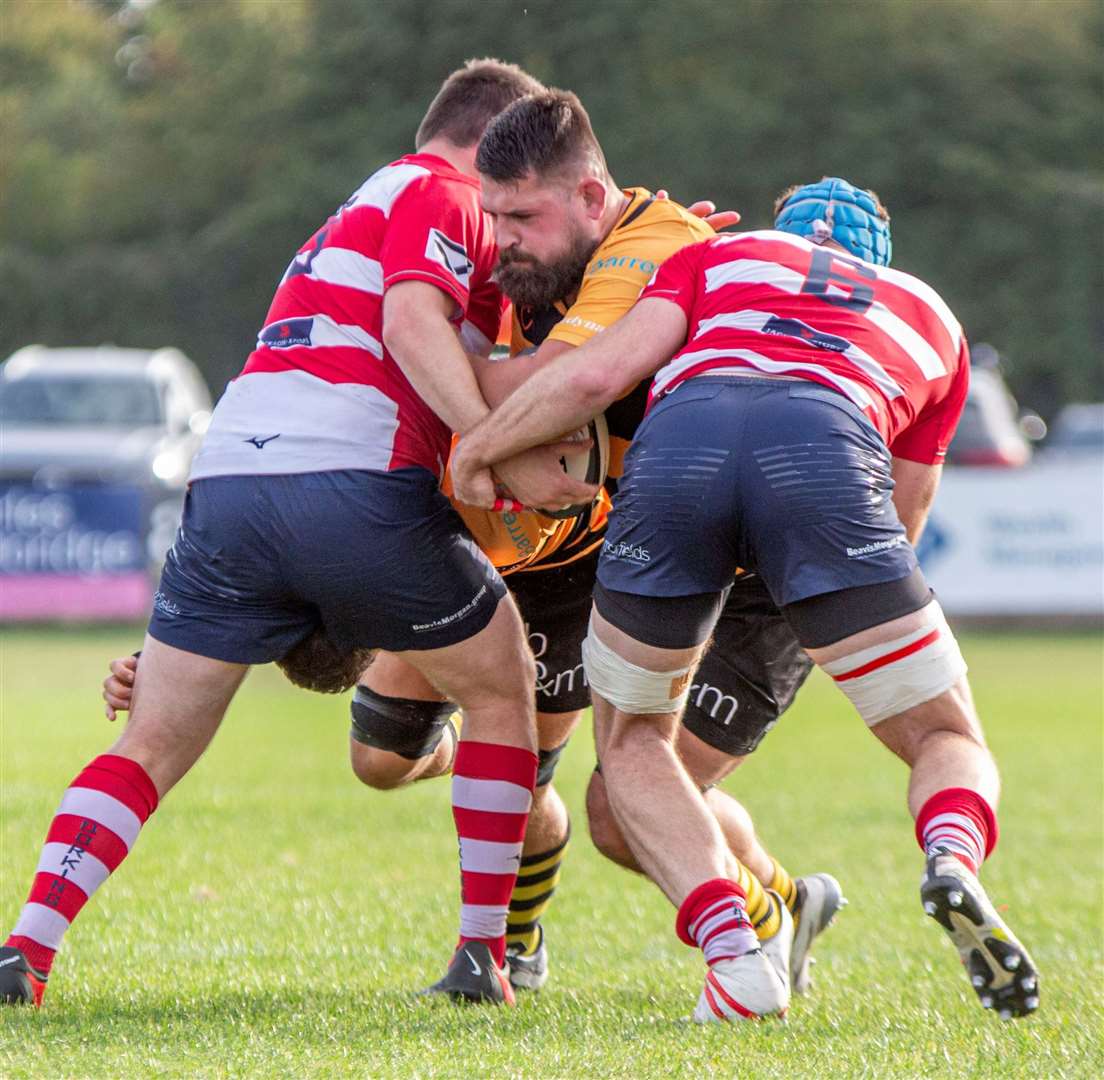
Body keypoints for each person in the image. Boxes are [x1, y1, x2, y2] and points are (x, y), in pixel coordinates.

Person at [99, 91, 845, 1004]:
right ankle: (523, 875)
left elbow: (558, 381)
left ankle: (713, 921)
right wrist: (174, 656)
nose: (499, 234)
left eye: (519, 215)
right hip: (475, 543)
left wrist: (448, 402)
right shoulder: (479, 246)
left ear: (588, 193)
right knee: (381, 759)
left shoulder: (647, 245)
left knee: (599, 793)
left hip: (582, 560)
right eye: (489, 213)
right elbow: (339, 473)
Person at [0, 58, 558, 1010]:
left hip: (227, 482)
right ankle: (482, 957)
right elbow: (411, 316)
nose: (518, 213)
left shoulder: (348, 214)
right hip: (351, 474)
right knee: (505, 690)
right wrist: (482, 442)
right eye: (518, 185)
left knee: (150, 742)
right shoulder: (442, 190)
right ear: (493, 144)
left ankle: (26, 951)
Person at [450, 177, 1040, 1023]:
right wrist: (836, 615)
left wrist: (480, 451)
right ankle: (950, 856)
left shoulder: (719, 255)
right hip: (824, 468)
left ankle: (737, 956)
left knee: (630, 756)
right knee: (943, 733)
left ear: (782, 234)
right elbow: (905, 513)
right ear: (877, 259)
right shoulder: (929, 314)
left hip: (686, 451)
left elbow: (599, 374)